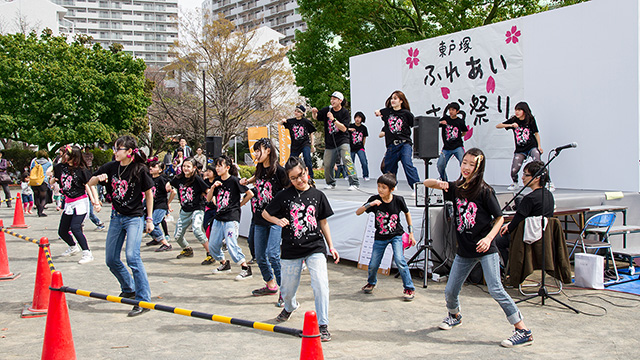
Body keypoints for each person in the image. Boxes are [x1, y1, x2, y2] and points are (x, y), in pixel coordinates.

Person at [423, 148, 533, 347]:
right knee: (450, 291)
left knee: (496, 289)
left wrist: (489, 238)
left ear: (479, 167)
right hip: (464, 250)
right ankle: (454, 316)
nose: (466, 167)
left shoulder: (484, 190)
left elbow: (500, 218)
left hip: (484, 249)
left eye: (472, 164)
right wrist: (440, 183)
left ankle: (522, 329)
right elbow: (426, 183)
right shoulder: (456, 187)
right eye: (464, 162)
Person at [262, 156, 340, 342]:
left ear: (306, 171)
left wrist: (331, 245)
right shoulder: (284, 196)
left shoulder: (318, 195)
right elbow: (265, 212)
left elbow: (323, 222)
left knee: (321, 284)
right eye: (294, 178)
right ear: (289, 179)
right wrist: (277, 220)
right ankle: (290, 306)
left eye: (301, 175)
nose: (299, 180)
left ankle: (323, 324)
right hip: (291, 249)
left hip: (315, 247)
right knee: (287, 291)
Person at [88, 136, 154, 317]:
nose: (115, 152)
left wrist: (149, 219)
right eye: (115, 148)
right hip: (116, 217)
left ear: (130, 151)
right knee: (111, 259)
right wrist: (97, 181)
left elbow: (149, 195)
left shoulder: (140, 169)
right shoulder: (110, 167)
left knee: (133, 257)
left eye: (119, 148)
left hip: (134, 218)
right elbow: (89, 183)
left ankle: (144, 300)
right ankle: (128, 287)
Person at [240, 138, 289, 304]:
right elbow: (257, 178)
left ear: (268, 150)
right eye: (255, 150)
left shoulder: (280, 171)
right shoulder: (260, 169)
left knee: (273, 254)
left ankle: (286, 291)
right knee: (259, 256)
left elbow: (290, 191)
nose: (256, 154)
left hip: (275, 219)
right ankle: (270, 285)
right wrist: (247, 181)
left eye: (258, 150)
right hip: (260, 217)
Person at [355, 173, 416, 301]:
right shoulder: (374, 199)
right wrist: (370, 204)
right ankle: (371, 282)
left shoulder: (398, 200)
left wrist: (411, 232)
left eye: (383, 187)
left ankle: (409, 287)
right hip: (380, 237)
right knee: (373, 264)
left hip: (396, 235)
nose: (380, 190)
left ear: (391, 189)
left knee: (400, 260)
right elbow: (358, 212)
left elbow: (407, 213)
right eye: (378, 186)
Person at [495, 160, 554, 267]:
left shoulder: (529, 199)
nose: (522, 178)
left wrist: (508, 226)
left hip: (527, 238)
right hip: (543, 238)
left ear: (537, 178)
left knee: (496, 241)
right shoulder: (549, 195)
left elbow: (515, 224)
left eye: (526, 175)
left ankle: (509, 269)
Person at [207, 155, 254, 280]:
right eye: (216, 166)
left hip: (231, 217)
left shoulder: (234, 181)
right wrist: (212, 188)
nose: (217, 168)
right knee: (212, 245)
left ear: (227, 168)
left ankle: (245, 268)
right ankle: (224, 263)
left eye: (220, 166)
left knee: (231, 243)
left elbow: (250, 193)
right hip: (219, 217)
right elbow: (208, 199)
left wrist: (239, 204)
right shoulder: (217, 181)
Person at [51, 145, 99, 264]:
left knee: (75, 228)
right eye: (65, 154)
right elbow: (52, 177)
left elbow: (90, 185)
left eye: (68, 154)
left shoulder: (82, 170)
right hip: (68, 202)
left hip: (80, 202)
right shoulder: (60, 167)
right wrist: (51, 180)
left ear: (75, 157)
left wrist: (95, 201)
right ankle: (73, 247)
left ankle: (87, 253)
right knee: (62, 231)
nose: (65, 156)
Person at [311, 91, 359, 190]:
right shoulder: (327, 110)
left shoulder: (344, 112)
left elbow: (344, 128)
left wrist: (333, 120)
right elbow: (316, 118)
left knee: (347, 160)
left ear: (340, 101)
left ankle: (354, 182)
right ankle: (330, 183)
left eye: (334, 99)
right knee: (328, 164)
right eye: (331, 99)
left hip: (342, 140)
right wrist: (314, 113)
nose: (332, 101)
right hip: (330, 143)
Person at [166, 157, 211, 263]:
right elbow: (170, 184)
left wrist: (212, 198)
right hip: (185, 210)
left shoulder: (197, 179)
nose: (185, 168)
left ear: (194, 168)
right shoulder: (178, 178)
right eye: (184, 166)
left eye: (188, 166)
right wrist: (168, 186)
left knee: (197, 230)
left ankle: (210, 253)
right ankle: (187, 249)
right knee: (177, 235)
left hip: (197, 208)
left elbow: (207, 190)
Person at [375, 90, 420, 189]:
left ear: (401, 101)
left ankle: (417, 188)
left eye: (395, 98)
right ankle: (391, 187)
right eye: (392, 98)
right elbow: (378, 112)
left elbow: (415, 125)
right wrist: (378, 112)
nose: (392, 100)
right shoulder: (387, 112)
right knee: (389, 168)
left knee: (407, 164)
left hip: (405, 144)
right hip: (392, 145)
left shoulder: (406, 113)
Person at [496, 102, 545, 191]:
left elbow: (536, 134)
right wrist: (511, 125)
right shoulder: (514, 120)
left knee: (538, 162)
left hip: (531, 146)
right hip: (520, 149)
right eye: (516, 110)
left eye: (519, 110)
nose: (517, 112)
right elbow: (498, 125)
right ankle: (515, 183)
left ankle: (546, 181)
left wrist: (539, 146)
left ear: (524, 111)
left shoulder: (530, 119)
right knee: (514, 170)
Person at [280, 105, 316, 178]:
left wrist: (312, 145)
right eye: (295, 111)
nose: (296, 113)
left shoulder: (306, 121)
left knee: (307, 157)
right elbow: (280, 124)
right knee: (291, 161)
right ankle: (287, 177)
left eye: (298, 112)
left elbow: (311, 133)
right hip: (295, 145)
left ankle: (310, 176)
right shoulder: (291, 121)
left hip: (305, 143)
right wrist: (282, 121)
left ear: (302, 113)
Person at [145, 161, 173, 252]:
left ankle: (166, 244)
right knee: (145, 224)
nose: (151, 168)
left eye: (154, 167)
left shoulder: (162, 179)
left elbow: (173, 192)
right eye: (150, 167)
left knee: (154, 223)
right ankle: (156, 239)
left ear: (160, 170)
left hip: (161, 206)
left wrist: (168, 203)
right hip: (153, 206)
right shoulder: (150, 178)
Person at [437, 102, 467, 181]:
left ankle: (465, 181)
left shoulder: (460, 121)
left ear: (457, 111)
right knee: (440, 165)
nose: (451, 111)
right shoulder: (445, 119)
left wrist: (459, 136)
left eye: (453, 110)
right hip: (446, 147)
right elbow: (434, 124)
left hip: (458, 146)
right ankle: (444, 180)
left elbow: (464, 131)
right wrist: (440, 122)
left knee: (463, 163)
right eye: (450, 110)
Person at [29, 150, 53, 217]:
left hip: (34, 181)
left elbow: (31, 170)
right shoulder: (48, 163)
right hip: (43, 181)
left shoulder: (34, 162)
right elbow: (50, 172)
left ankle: (38, 209)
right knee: (43, 198)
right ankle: (40, 211)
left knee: (36, 196)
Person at [349, 111, 370, 181]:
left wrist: (363, 146)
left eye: (359, 117)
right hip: (351, 147)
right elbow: (344, 131)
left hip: (360, 147)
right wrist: (349, 129)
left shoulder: (364, 128)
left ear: (362, 119)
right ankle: (350, 176)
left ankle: (366, 175)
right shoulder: (350, 126)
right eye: (356, 117)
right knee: (350, 163)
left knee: (364, 161)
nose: (357, 119)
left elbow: (364, 138)